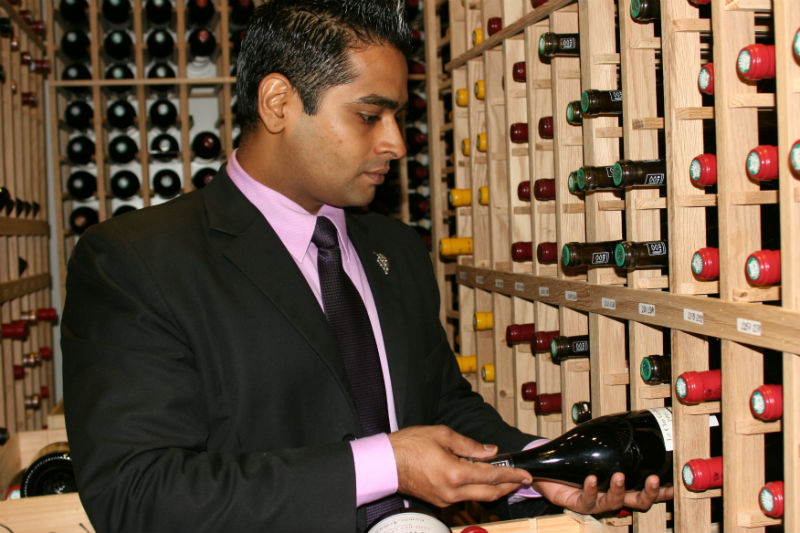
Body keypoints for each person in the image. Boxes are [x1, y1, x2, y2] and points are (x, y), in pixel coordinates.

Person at [61, 1, 671, 531]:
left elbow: (441, 408)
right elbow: (138, 494)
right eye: (368, 115)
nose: (395, 144)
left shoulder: (396, 250)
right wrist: (387, 464)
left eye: (397, 117)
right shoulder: (139, 261)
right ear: (278, 103)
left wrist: (539, 469)